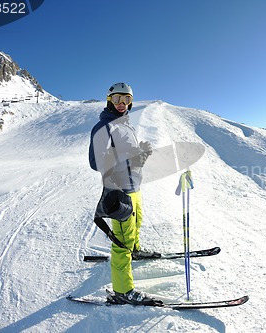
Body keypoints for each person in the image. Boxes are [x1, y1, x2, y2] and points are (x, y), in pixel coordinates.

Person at [88, 82, 161, 305]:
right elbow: (95, 162)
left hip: (134, 186)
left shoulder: (126, 125)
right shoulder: (105, 126)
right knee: (121, 242)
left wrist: (141, 155)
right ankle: (122, 291)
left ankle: (135, 251)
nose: (122, 104)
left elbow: (129, 158)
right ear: (109, 99)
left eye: (127, 100)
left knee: (135, 224)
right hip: (119, 189)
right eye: (118, 99)